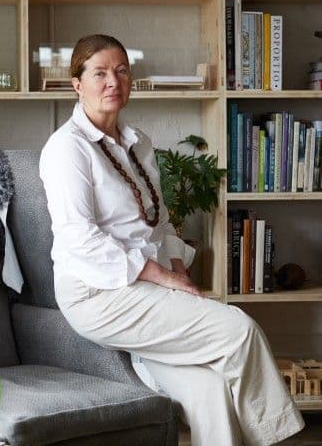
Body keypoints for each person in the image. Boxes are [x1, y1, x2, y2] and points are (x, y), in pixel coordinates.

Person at [39, 34, 304, 446]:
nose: (113, 81)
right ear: (77, 84)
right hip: (98, 294)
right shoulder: (65, 150)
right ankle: (277, 438)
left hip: (147, 285)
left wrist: (179, 271)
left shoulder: (138, 143)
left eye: (122, 70)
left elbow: (159, 221)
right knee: (239, 330)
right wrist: (163, 277)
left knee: (210, 392)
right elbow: (80, 238)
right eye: (100, 73)